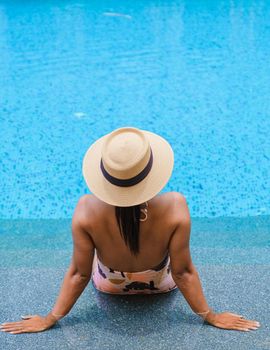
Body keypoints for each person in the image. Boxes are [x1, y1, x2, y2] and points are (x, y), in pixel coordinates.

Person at [0, 127, 260, 334]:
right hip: (161, 284)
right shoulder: (175, 206)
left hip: (110, 286)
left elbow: (79, 275)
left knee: (87, 262)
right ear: (151, 174)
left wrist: (50, 318)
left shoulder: (86, 210)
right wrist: (210, 316)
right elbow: (183, 273)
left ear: (105, 178)